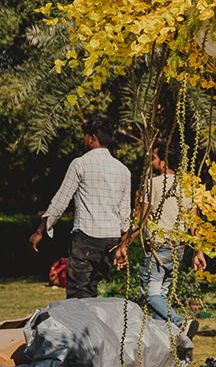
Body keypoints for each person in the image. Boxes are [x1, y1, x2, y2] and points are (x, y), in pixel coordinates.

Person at [28, 115, 132, 299]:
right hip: (111, 242)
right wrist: (122, 245)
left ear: (92, 138)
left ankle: (82, 319)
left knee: (77, 294)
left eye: (85, 136)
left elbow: (61, 200)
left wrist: (39, 231)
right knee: (90, 292)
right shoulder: (123, 170)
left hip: (87, 240)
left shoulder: (80, 164)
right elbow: (125, 214)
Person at [116, 141, 205, 338]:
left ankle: (180, 322)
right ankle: (162, 341)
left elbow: (141, 220)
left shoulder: (153, 184)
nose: (151, 161)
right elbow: (194, 223)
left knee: (150, 294)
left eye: (154, 158)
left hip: (158, 251)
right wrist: (198, 251)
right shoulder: (188, 187)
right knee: (161, 297)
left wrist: (124, 245)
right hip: (178, 251)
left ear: (164, 161)